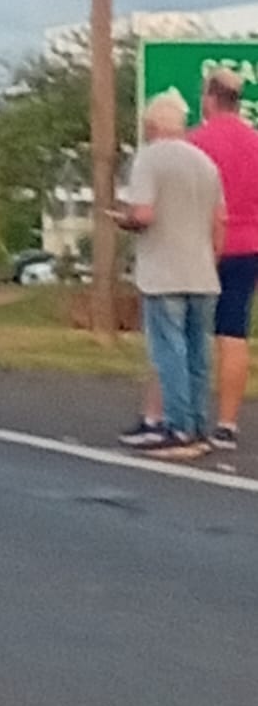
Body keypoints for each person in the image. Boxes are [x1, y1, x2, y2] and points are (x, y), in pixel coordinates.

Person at [111, 91, 225, 461]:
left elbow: (143, 214)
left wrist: (124, 220)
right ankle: (198, 425)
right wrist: (212, 259)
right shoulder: (205, 162)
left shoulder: (150, 158)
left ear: (152, 125)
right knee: (197, 352)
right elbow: (219, 221)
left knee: (169, 352)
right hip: (201, 270)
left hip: (163, 271)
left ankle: (177, 427)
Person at [185, 67, 258, 452]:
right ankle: (227, 424)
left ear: (209, 99)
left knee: (188, 331)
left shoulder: (195, 144)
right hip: (248, 245)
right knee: (234, 331)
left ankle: (185, 415)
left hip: (202, 245)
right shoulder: (254, 143)